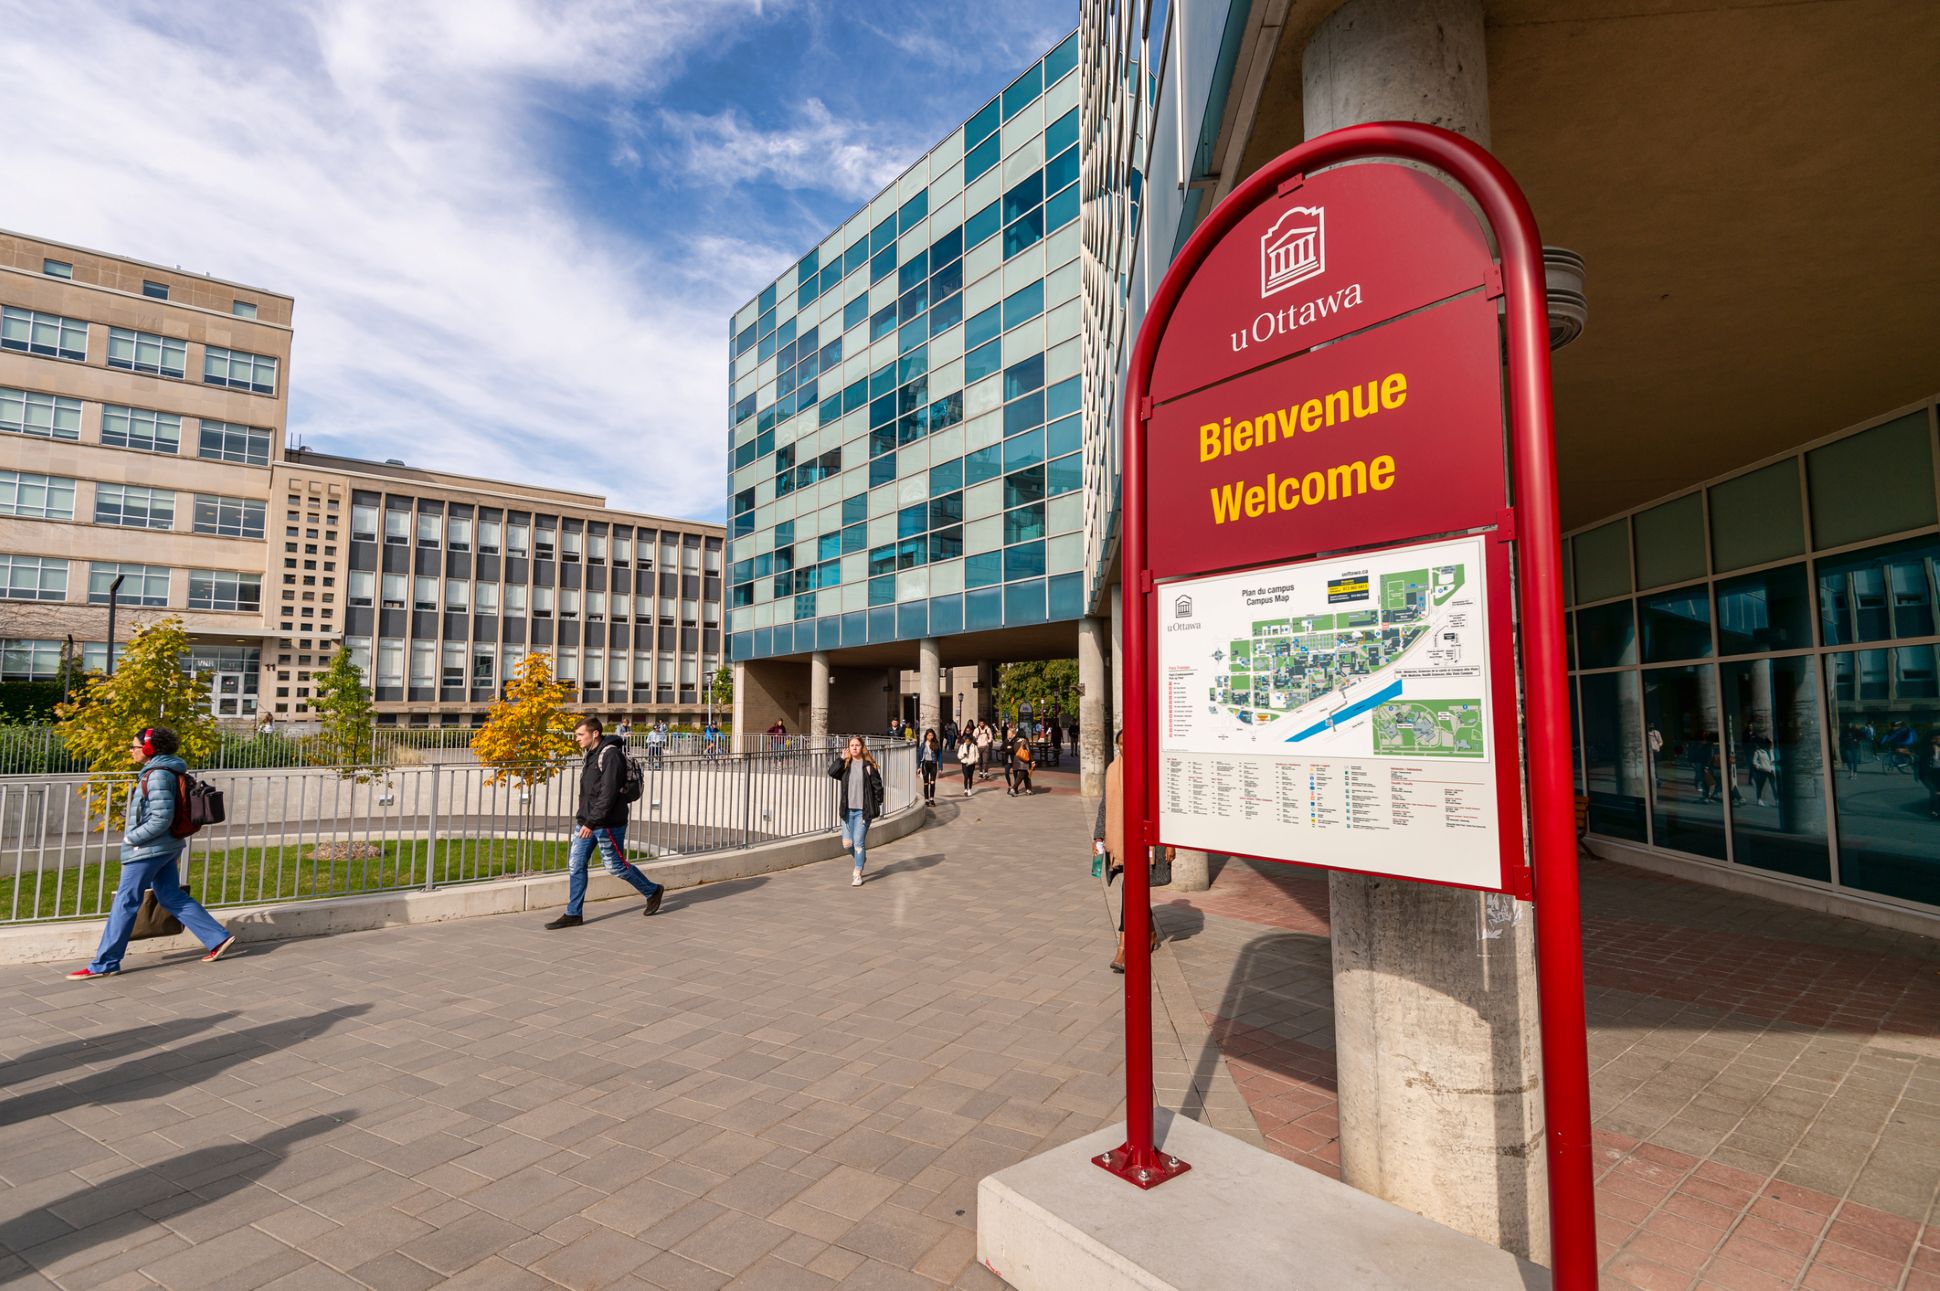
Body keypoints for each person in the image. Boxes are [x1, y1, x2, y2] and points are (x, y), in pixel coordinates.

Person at [67, 726, 237, 979]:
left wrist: (131, 837)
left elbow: (160, 818)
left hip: (149, 848)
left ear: (149, 749)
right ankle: (217, 937)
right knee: (170, 896)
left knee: (126, 901)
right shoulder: (167, 770)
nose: (131, 751)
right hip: (167, 846)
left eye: (134, 746)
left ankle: (105, 963)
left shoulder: (157, 775)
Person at [547, 717, 663, 929]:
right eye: (576, 735)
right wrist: (585, 820)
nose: (577, 739)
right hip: (587, 822)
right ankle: (573, 913)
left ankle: (652, 890)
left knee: (615, 866)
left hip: (607, 823)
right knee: (576, 864)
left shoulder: (611, 756)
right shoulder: (591, 754)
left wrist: (591, 823)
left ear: (595, 734)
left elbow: (607, 794)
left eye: (581, 735)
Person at [1092, 730, 1161, 974]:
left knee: (1129, 887)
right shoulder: (1113, 770)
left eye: (1127, 743)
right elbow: (1104, 807)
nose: (1123, 748)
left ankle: (1123, 947)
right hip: (1121, 839)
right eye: (1120, 744)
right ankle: (1150, 933)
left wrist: (1170, 843)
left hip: (1144, 841)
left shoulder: (1148, 769)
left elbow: (1159, 806)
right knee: (1133, 889)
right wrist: (1099, 838)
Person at [828, 735, 884, 886]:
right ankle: (861, 857)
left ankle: (857, 872)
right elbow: (832, 772)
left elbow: (878, 787)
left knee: (858, 843)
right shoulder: (845, 765)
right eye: (852, 745)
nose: (854, 747)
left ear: (862, 747)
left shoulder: (868, 766)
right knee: (847, 844)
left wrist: (876, 804)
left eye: (857, 745)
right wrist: (841, 759)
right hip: (847, 811)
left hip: (863, 812)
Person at [1749, 736, 1776, 807]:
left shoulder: (1772, 752)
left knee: (1774, 786)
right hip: (1762, 771)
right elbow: (1754, 762)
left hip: (1771, 771)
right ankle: (1759, 800)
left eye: (1771, 744)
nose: (1770, 745)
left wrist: (1773, 768)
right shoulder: (1758, 752)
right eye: (1769, 744)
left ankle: (1777, 800)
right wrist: (1760, 767)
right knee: (1760, 786)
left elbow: (1773, 761)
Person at [1919, 732, 1940, 819]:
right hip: (1927, 774)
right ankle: (1932, 811)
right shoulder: (1928, 749)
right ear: (1934, 739)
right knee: (1934, 791)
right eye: (1939, 738)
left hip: (1937, 773)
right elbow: (1923, 764)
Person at [919, 729, 940, 806]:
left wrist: (940, 766)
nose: (930, 737)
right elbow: (919, 756)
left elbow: (939, 755)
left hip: (933, 764)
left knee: (932, 782)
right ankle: (926, 799)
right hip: (925, 764)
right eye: (929, 735)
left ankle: (932, 799)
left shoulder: (936, 744)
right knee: (926, 783)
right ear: (926, 736)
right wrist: (918, 767)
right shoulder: (923, 745)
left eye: (932, 735)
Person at [956, 727, 978, 797]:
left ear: (971, 741)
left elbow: (977, 755)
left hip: (971, 763)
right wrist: (963, 755)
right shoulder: (962, 746)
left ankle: (969, 789)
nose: (967, 742)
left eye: (969, 741)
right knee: (966, 776)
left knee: (970, 777)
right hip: (964, 763)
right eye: (966, 740)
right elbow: (959, 756)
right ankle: (965, 789)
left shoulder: (974, 747)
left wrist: (975, 760)